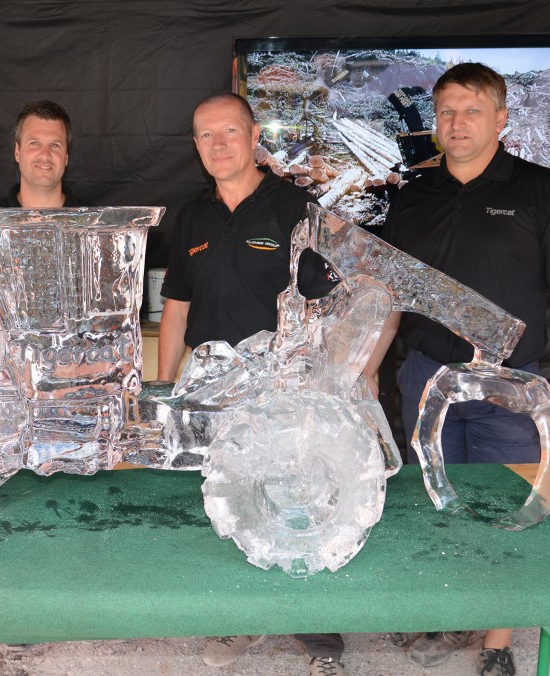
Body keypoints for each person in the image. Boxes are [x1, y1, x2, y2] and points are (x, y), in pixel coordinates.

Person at [363, 63, 550, 676]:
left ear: (501, 119)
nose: (457, 123)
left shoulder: (544, 194)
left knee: (509, 510)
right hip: (425, 377)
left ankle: (496, 643)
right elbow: (388, 299)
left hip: (511, 387)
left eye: (472, 110)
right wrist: (366, 373)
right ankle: (438, 610)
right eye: (447, 111)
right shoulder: (413, 196)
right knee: (433, 500)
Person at [157, 92, 344, 676]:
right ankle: (239, 617)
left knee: (293, 497)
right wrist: (163, 389)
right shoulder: (188, 215)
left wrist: (319, 384)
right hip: (211, 389)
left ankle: (314, 626)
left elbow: (328, 304)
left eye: (230, 131)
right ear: (195, 144)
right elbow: (177, 306)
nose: (218, 144)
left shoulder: (296, 208)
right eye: (205, 135)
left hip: (283, 388)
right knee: (228, 500)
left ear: (253, 134)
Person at [0, 99, 85, 296]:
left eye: (55, 145)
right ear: (17, 152)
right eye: (35, 144)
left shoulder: (94, 228)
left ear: (66, 156)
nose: (45, 155)